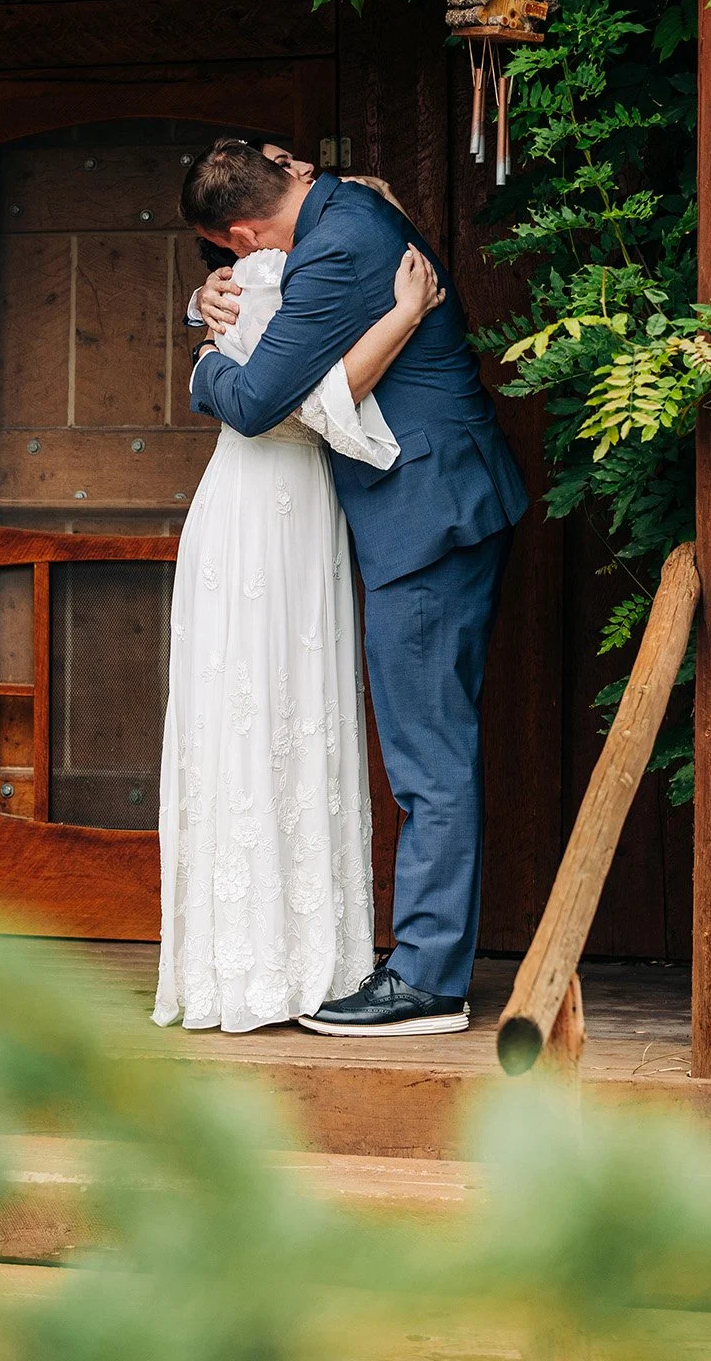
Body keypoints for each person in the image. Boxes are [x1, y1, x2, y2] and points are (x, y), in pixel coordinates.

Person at [182, 139, 528, 1036]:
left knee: (427, 756)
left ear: (243, 232)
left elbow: (256, 403)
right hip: (429, 504)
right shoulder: (341, 211)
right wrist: (202, 301)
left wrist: (204, 360)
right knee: (427, 747)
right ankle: (423, 966)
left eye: (232, 253)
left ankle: (427, 981)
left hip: (429, 513)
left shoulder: (335, 247)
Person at [154, 148, 445, 1034]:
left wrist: (205, 341)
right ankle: (262, 956)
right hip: (261, 504)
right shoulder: (288, 260)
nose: (314, 173)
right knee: (251, 709)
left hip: (303, 503)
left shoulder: (331, 242)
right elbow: (279, 405)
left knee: (293, 714)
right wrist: (204, 343)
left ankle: (308, 955)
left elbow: (283, 396)